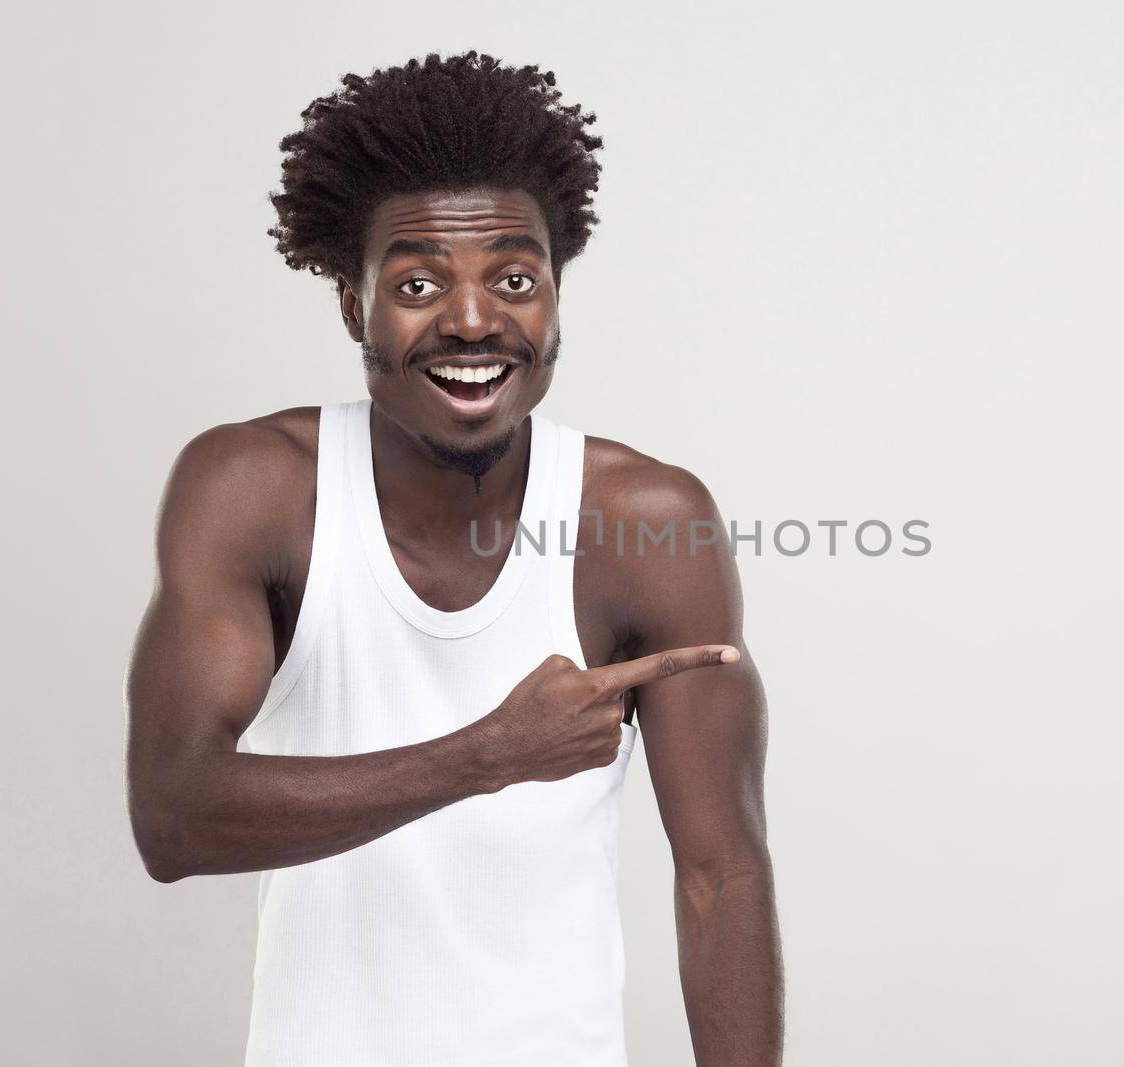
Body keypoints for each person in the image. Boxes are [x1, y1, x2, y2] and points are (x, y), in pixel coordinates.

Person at [123, 51, 783, 1066]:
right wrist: (486, 755)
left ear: (556, 294)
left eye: (513, 278)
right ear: (354, 305)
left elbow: (720, 871)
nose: (473, 319)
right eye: (420, 281)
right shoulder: (255, 487)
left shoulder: (647, 518)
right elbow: (172, 816)